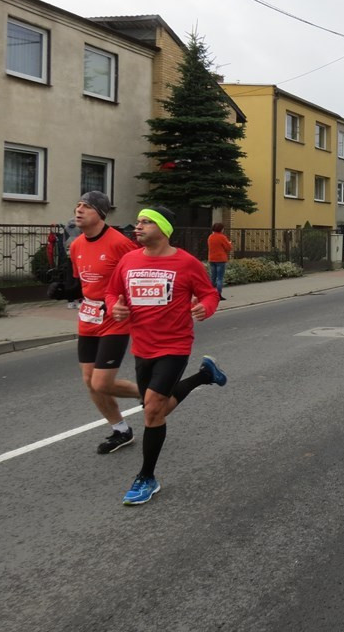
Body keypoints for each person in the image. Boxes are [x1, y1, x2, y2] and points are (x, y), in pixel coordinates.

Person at [106, 206, 225, 505]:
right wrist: (114, 308)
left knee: (152, 410)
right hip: (142, 347)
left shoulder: (185, 262)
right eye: (138, 221)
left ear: (164, 228)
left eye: (146, 222)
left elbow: (209, 293)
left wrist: (205, 308)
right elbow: (112, 293)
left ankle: (146, 477)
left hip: (174, 345)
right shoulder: (128, 261)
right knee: (157, 408)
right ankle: (204, 375)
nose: (138, 226)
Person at [69, 192, 142, 454]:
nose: (79, 210)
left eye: (86, 206)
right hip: (88, 317)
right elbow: (84, 282)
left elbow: (138, 273)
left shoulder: (119, 243)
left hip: (114, 317)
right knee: (89, 380)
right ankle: (120, 430)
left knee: (101, 382)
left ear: (100, 213)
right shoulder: (76, 245)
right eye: (77, 205)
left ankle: (147, 393)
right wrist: (68, 290)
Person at [207, 223, 233, 301]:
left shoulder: (210, 237)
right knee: (220, 278)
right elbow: (228, 248)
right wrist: (229, 243)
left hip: (212, 258)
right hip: (220, 259)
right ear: (221, 229)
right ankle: (218, 294)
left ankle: (210, 294)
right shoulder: (222, 237)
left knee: (213, 277)